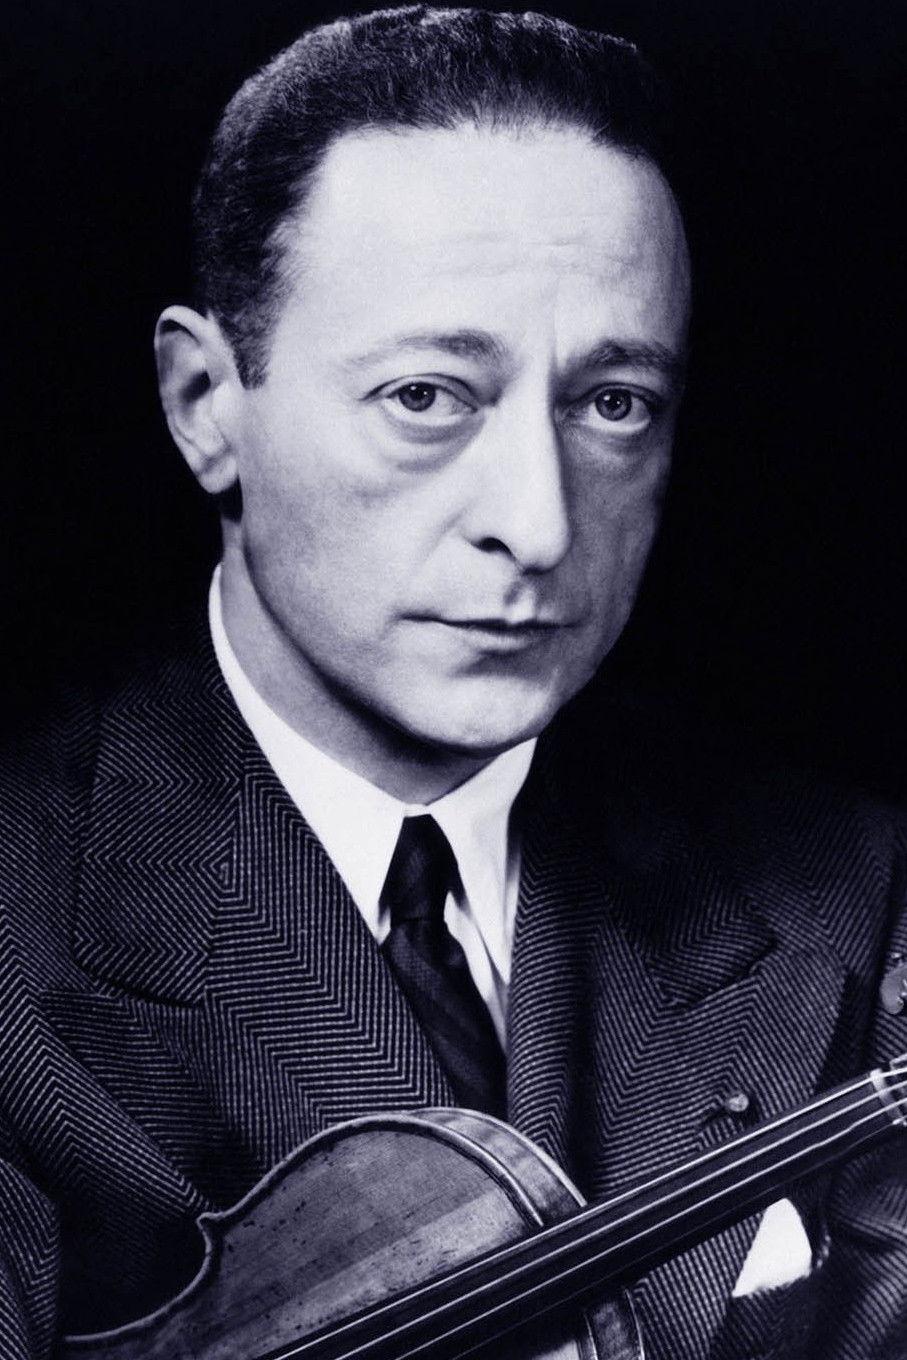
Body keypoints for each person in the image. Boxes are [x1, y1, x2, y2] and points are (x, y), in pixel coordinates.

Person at [0, 7, 904, 1359]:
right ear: (203, 404)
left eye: (612, 403)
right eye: (427, 397)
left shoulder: (856, 886)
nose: (537, 526)